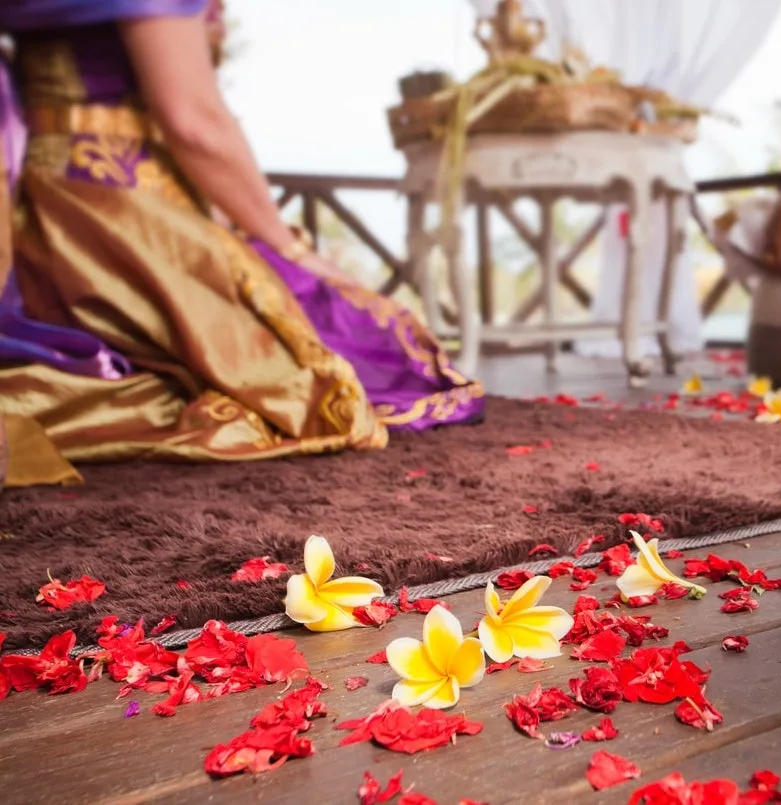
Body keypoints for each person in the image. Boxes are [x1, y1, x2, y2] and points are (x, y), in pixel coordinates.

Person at [0, 0, 484, 488]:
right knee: (355, 367)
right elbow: (194, 123)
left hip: (35, 204)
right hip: (120, 206)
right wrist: (294, 249)